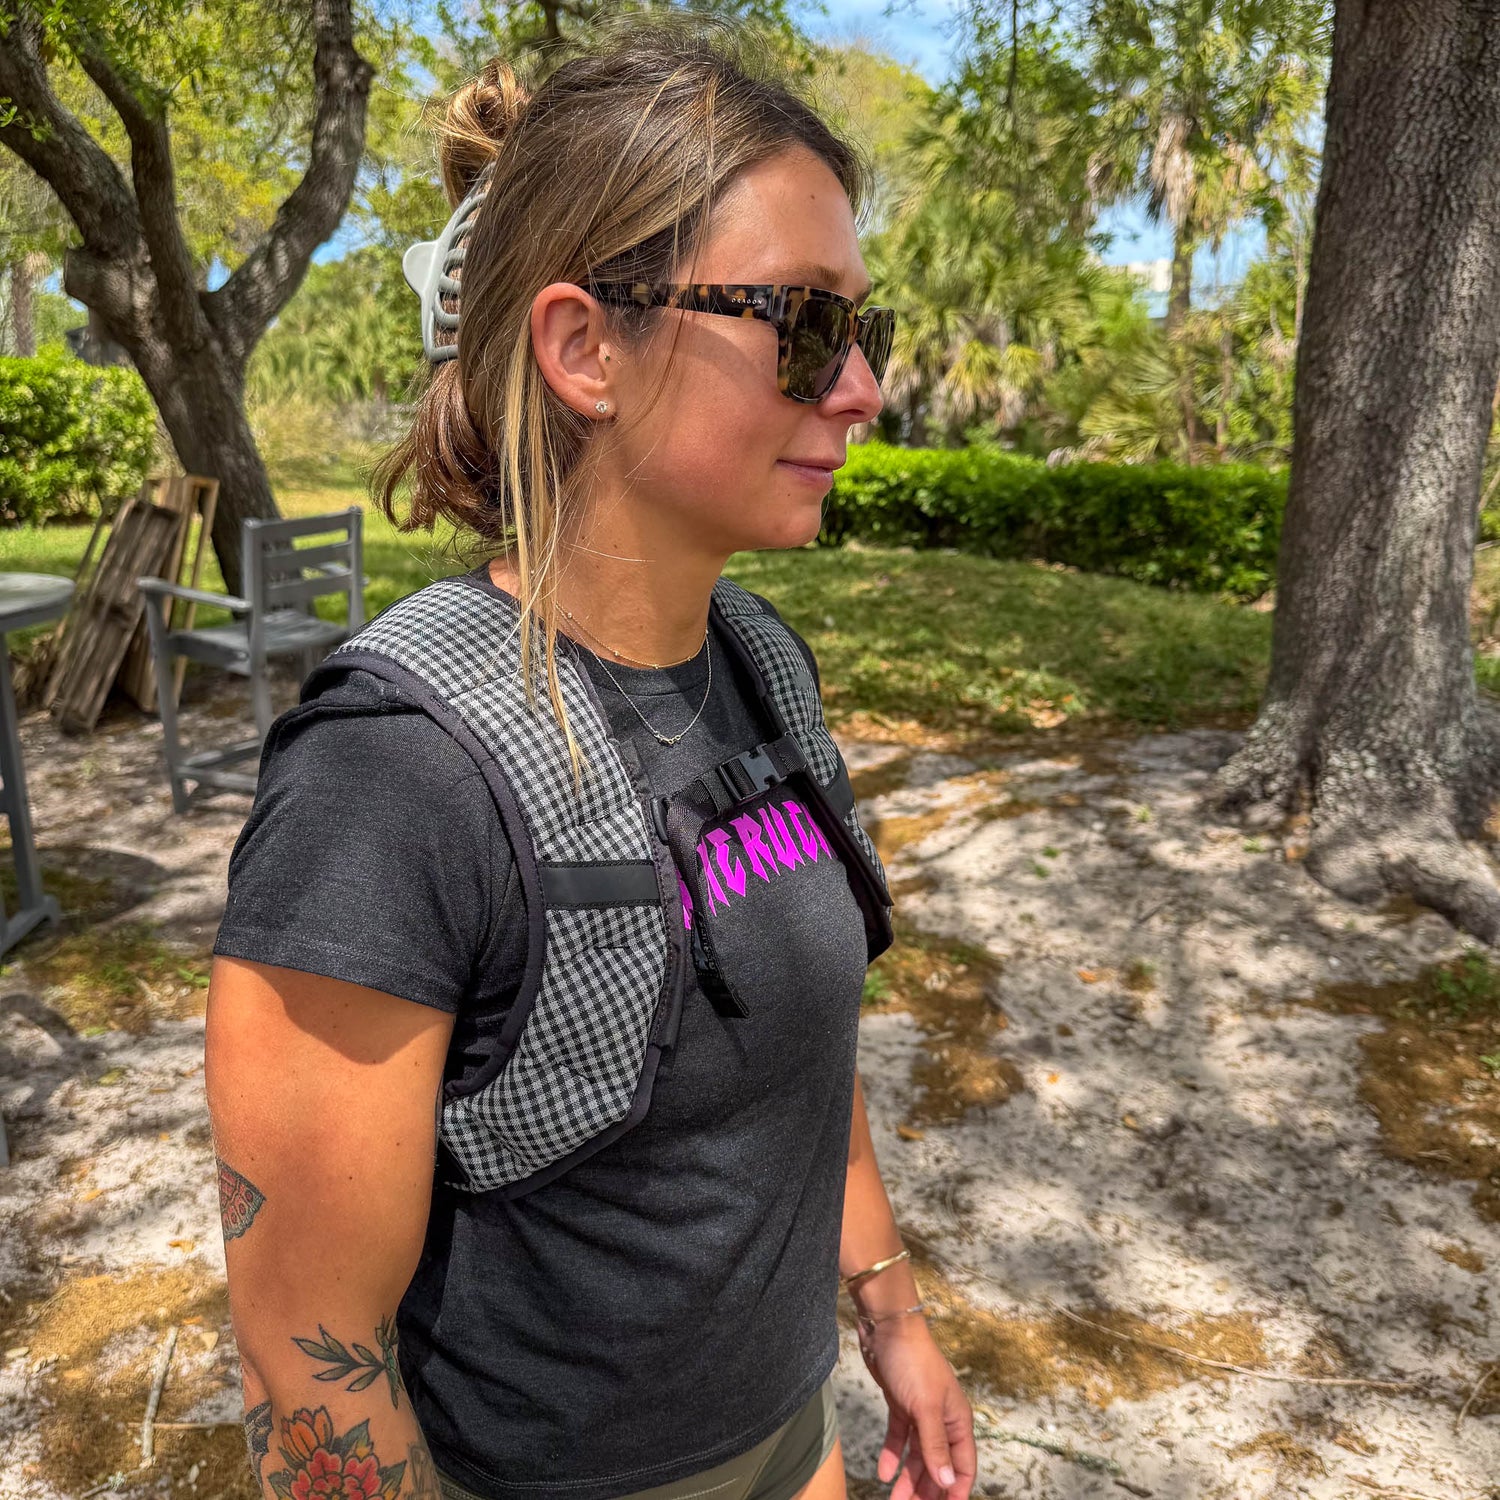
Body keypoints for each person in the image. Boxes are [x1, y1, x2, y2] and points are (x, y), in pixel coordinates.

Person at [204, 18, 977, 1500]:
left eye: (863, 328)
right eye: (804, 324)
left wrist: (892, 1315)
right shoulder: (391, 786)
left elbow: (807, 1058)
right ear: (583, 347)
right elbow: (305, 1355)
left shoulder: (763, 673)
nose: (862, 388)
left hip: (791, 1444)